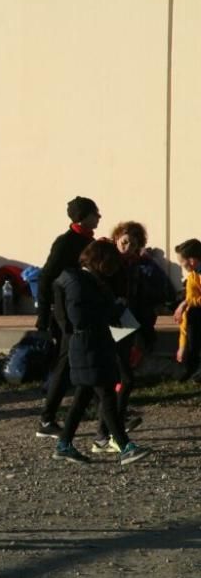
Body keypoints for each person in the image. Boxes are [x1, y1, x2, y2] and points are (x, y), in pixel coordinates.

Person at [51, 240, 151, 465]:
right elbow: (81, 317)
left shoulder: (83, 281)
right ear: (101, 261)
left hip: (90, 344)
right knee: (106, 395)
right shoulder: (81, 283)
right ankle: (124, 446)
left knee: (83, 396)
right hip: (90, 345)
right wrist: (112, 310)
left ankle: (64, 444)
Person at [91, 222, 174, 453]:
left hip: (129, 322)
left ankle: (108, 430)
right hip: (113, 325)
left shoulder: (138, 267)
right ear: (117, 239)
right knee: (122, 380)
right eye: (125, 242)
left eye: (134, 244)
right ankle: (109, 432)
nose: (128, 247)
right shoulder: (108, 264)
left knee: (122, 379)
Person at [35, 196, 99, 439]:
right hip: (67, 313)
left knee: (87, 359)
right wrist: (43, 314)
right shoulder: (66, 243)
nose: (99, 217)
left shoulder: (89, 242)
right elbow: (45, 277)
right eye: (95, 213)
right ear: (84, 216)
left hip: (84, 310)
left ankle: (104, 411)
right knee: (67, 363)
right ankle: (47, 418)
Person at [173, 238, 201, 382]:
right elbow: (188, 312)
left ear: (191, 260)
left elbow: (190, 302)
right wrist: (182, 345)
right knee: (192, 315)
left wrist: (186, 303)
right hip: (196, 315)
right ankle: (191, 366)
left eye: (181, 262)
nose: (181, 265)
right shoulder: (192, 278)